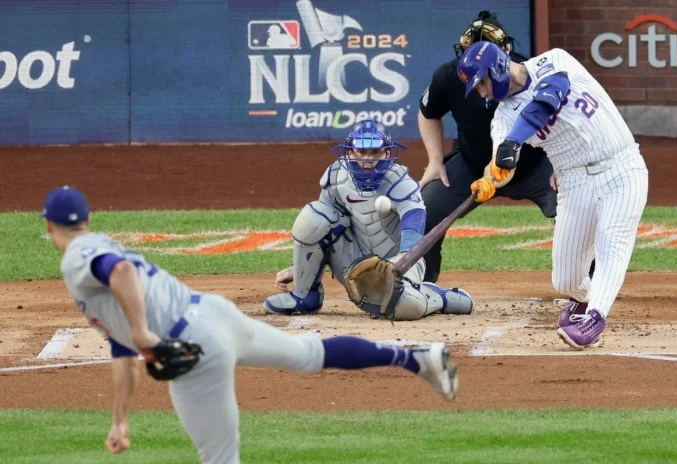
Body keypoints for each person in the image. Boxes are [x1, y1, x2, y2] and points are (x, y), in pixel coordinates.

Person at [41, 185, 459, 463]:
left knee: (221, 459)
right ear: (86, 219)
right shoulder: (95, 252)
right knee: (310, 355)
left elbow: (122, 275)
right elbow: (123, 353)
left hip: (197, 348)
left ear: (48, 225)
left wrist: (141, 332)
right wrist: (119, 419)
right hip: (213, 314)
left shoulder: (79, 255)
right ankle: (416, 359)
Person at [457, 40, 649, 348]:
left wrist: (515, 141)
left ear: (498, 68)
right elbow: (503, 163)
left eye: (483, 83)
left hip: (622, 168)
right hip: (574, 183)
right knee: (565, 281)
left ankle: (595, 320)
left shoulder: (554, 60)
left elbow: (548, 97)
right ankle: (584, 301)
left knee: (612, 241)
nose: (482, 92)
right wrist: (489, 178)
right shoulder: (502, 119)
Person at [265, 118, 474, 320]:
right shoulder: (337, 176)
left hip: (399, 263)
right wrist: (302, 269)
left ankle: (437, 296)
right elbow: (323, 226)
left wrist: (403, 257)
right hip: (355, 263)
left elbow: (414, 218)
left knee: (405, 307)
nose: (368, 159)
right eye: (361, 151)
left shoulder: (399, 180)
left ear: (386, 151)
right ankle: (305, 295)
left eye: (375, 152)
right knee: (313, 217)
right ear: (350, 151)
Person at [418, 10, 557, 283]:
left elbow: (563, 120)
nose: (477, 79)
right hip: (473, 166)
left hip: (535, 164)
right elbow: (427, 113)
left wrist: (563, 166)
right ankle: (423, 281)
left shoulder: (530, 75)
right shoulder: (448, 76)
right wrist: (435, 161)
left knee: (576, 205)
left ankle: (591, 283)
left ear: (505, 53)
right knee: (425, 209)